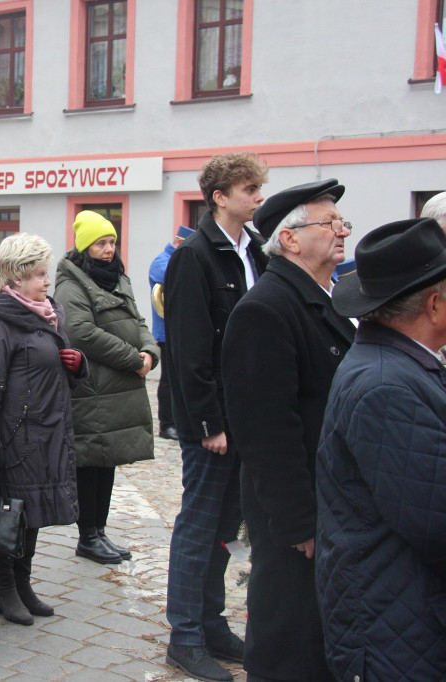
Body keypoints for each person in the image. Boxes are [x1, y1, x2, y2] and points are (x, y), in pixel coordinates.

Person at [222, 179, 355, 682]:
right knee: (289, 635)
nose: (342, 231)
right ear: (291, 240)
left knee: (317, 631)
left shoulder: (327, 294)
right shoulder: (267, 308)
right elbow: (265, 432)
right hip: (297, 513)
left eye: (343, 222)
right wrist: (299, 522)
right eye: (330, 223)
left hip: (329, 499)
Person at [316, 217, 446, 680]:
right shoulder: (386, 384)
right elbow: (435, 519)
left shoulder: (404, 365)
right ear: (433, 304)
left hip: (403, 614)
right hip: (399, 628)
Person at [164, 151, 269, 682]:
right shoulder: (196, 256)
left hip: (245, 418)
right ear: (220, 196)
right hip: (213, 426)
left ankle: (212, 624)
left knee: (226, 528)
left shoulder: (253, 252)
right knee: (198, 527)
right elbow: (189, 351)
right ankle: (184, 637)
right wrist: (209, 425)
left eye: (259, 187)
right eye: (249, 188)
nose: (259, 196)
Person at [0, 233, 84, 626]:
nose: (47, 281)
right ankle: (3, 587)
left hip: (46, 429)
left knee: (30, 511)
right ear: (15, 278)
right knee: (10, 512)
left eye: (46, 272)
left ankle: (23, 583)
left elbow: (54, 362)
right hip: (13, 434)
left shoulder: (47, 312)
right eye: (38, 274)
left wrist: (75, 364)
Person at [55, 211, 159, 566]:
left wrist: (150, 352)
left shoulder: (118, 279)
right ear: (85, 247)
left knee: (108, 461)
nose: (109, 249)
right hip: (94, 391)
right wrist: (133, 358)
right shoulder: (71, 285)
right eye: (101, 243)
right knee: (90, 463)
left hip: (120, 389)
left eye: (112, 242)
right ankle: (87, 536)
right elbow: (81, 333)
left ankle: (100, 531)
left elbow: (138, 320)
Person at [148, 225, 194, 441]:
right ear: (180, 242)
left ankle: (180, 420)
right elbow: (180, 280)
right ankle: (166, 425)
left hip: (182, 328)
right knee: (168, 380)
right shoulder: (162, 262)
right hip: (167, 330)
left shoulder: (177, 259)